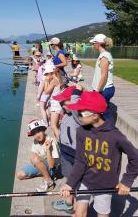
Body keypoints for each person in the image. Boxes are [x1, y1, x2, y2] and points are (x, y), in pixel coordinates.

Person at [60, 91, 138, 217]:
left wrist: (126, 181)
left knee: (102, 214)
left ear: (95, 115)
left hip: (105, 185)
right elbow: (80, 161)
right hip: (85, 180)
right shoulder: (81, 132)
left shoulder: (115, 136)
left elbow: (135, 158)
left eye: (80, 112)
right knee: (79, 213)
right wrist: (70, 183)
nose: (77, 115)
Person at [52, 85, 82, 214]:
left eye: (64, 102)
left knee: (73, 181)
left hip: (73, 154)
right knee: (68, 178)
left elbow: (76, 106)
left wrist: (76, 92)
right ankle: (69, 202)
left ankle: (73, 206)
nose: (61, 105)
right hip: (66, 152)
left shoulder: (78, 116)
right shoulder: (68, 114)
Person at [16, 119, 60, 192]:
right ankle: (45, 174)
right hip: (43, 164)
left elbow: (52, 165)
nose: (37, 135)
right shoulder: (36, 141)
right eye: (34, 133)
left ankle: (49, 182)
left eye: (39, 131)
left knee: (34, 159)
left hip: (54, 169)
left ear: (43, 130)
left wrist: (48, 149)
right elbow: (35, 155)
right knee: (19, 175)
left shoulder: (51, 141)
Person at [90, 34, 115, 121]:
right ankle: (106, 130)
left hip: (104, 90)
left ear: (98, 44)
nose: (93, 45)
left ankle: (109, 131)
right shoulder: (103, 55)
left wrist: (97, 91)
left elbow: (104, 76)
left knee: (105, 113)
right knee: (103, 112)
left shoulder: (104, 56)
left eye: (93, 43)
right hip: (103, 89)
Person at [43, 64, 63, 140]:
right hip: (57, 103)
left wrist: (45, 81)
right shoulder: (57, 78)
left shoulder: (54, 81)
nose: (45, 76)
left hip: (55, 104)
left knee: (53, 126)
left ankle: (61, 143)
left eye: (46, 74)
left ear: (51, 73)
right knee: (56, 125)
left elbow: (46, 91)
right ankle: (58, 140)